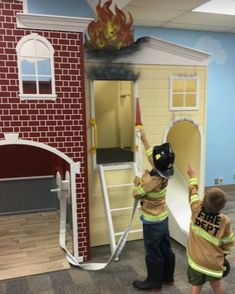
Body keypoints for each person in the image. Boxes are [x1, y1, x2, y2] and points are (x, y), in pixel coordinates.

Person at [132, 127, 176, 291]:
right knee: (165, 247)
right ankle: (167, 277)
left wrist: (137, 184)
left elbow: (137, 194)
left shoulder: (151, 181)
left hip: (152, 221)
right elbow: (153, 158)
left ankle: (154, 282)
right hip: (163, 218)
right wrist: (144, 138)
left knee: (152, 251)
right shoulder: (165, 172)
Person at [187, 164, 234, 294]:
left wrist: (193, 176)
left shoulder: (196, 209)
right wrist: (224, 255)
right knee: (216, 285)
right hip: (214, 262)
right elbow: (229, 242)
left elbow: (192, 193)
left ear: (203, 201)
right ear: (223, 206)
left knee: (196, 287)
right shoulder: (224, 220)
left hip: (196, 261)